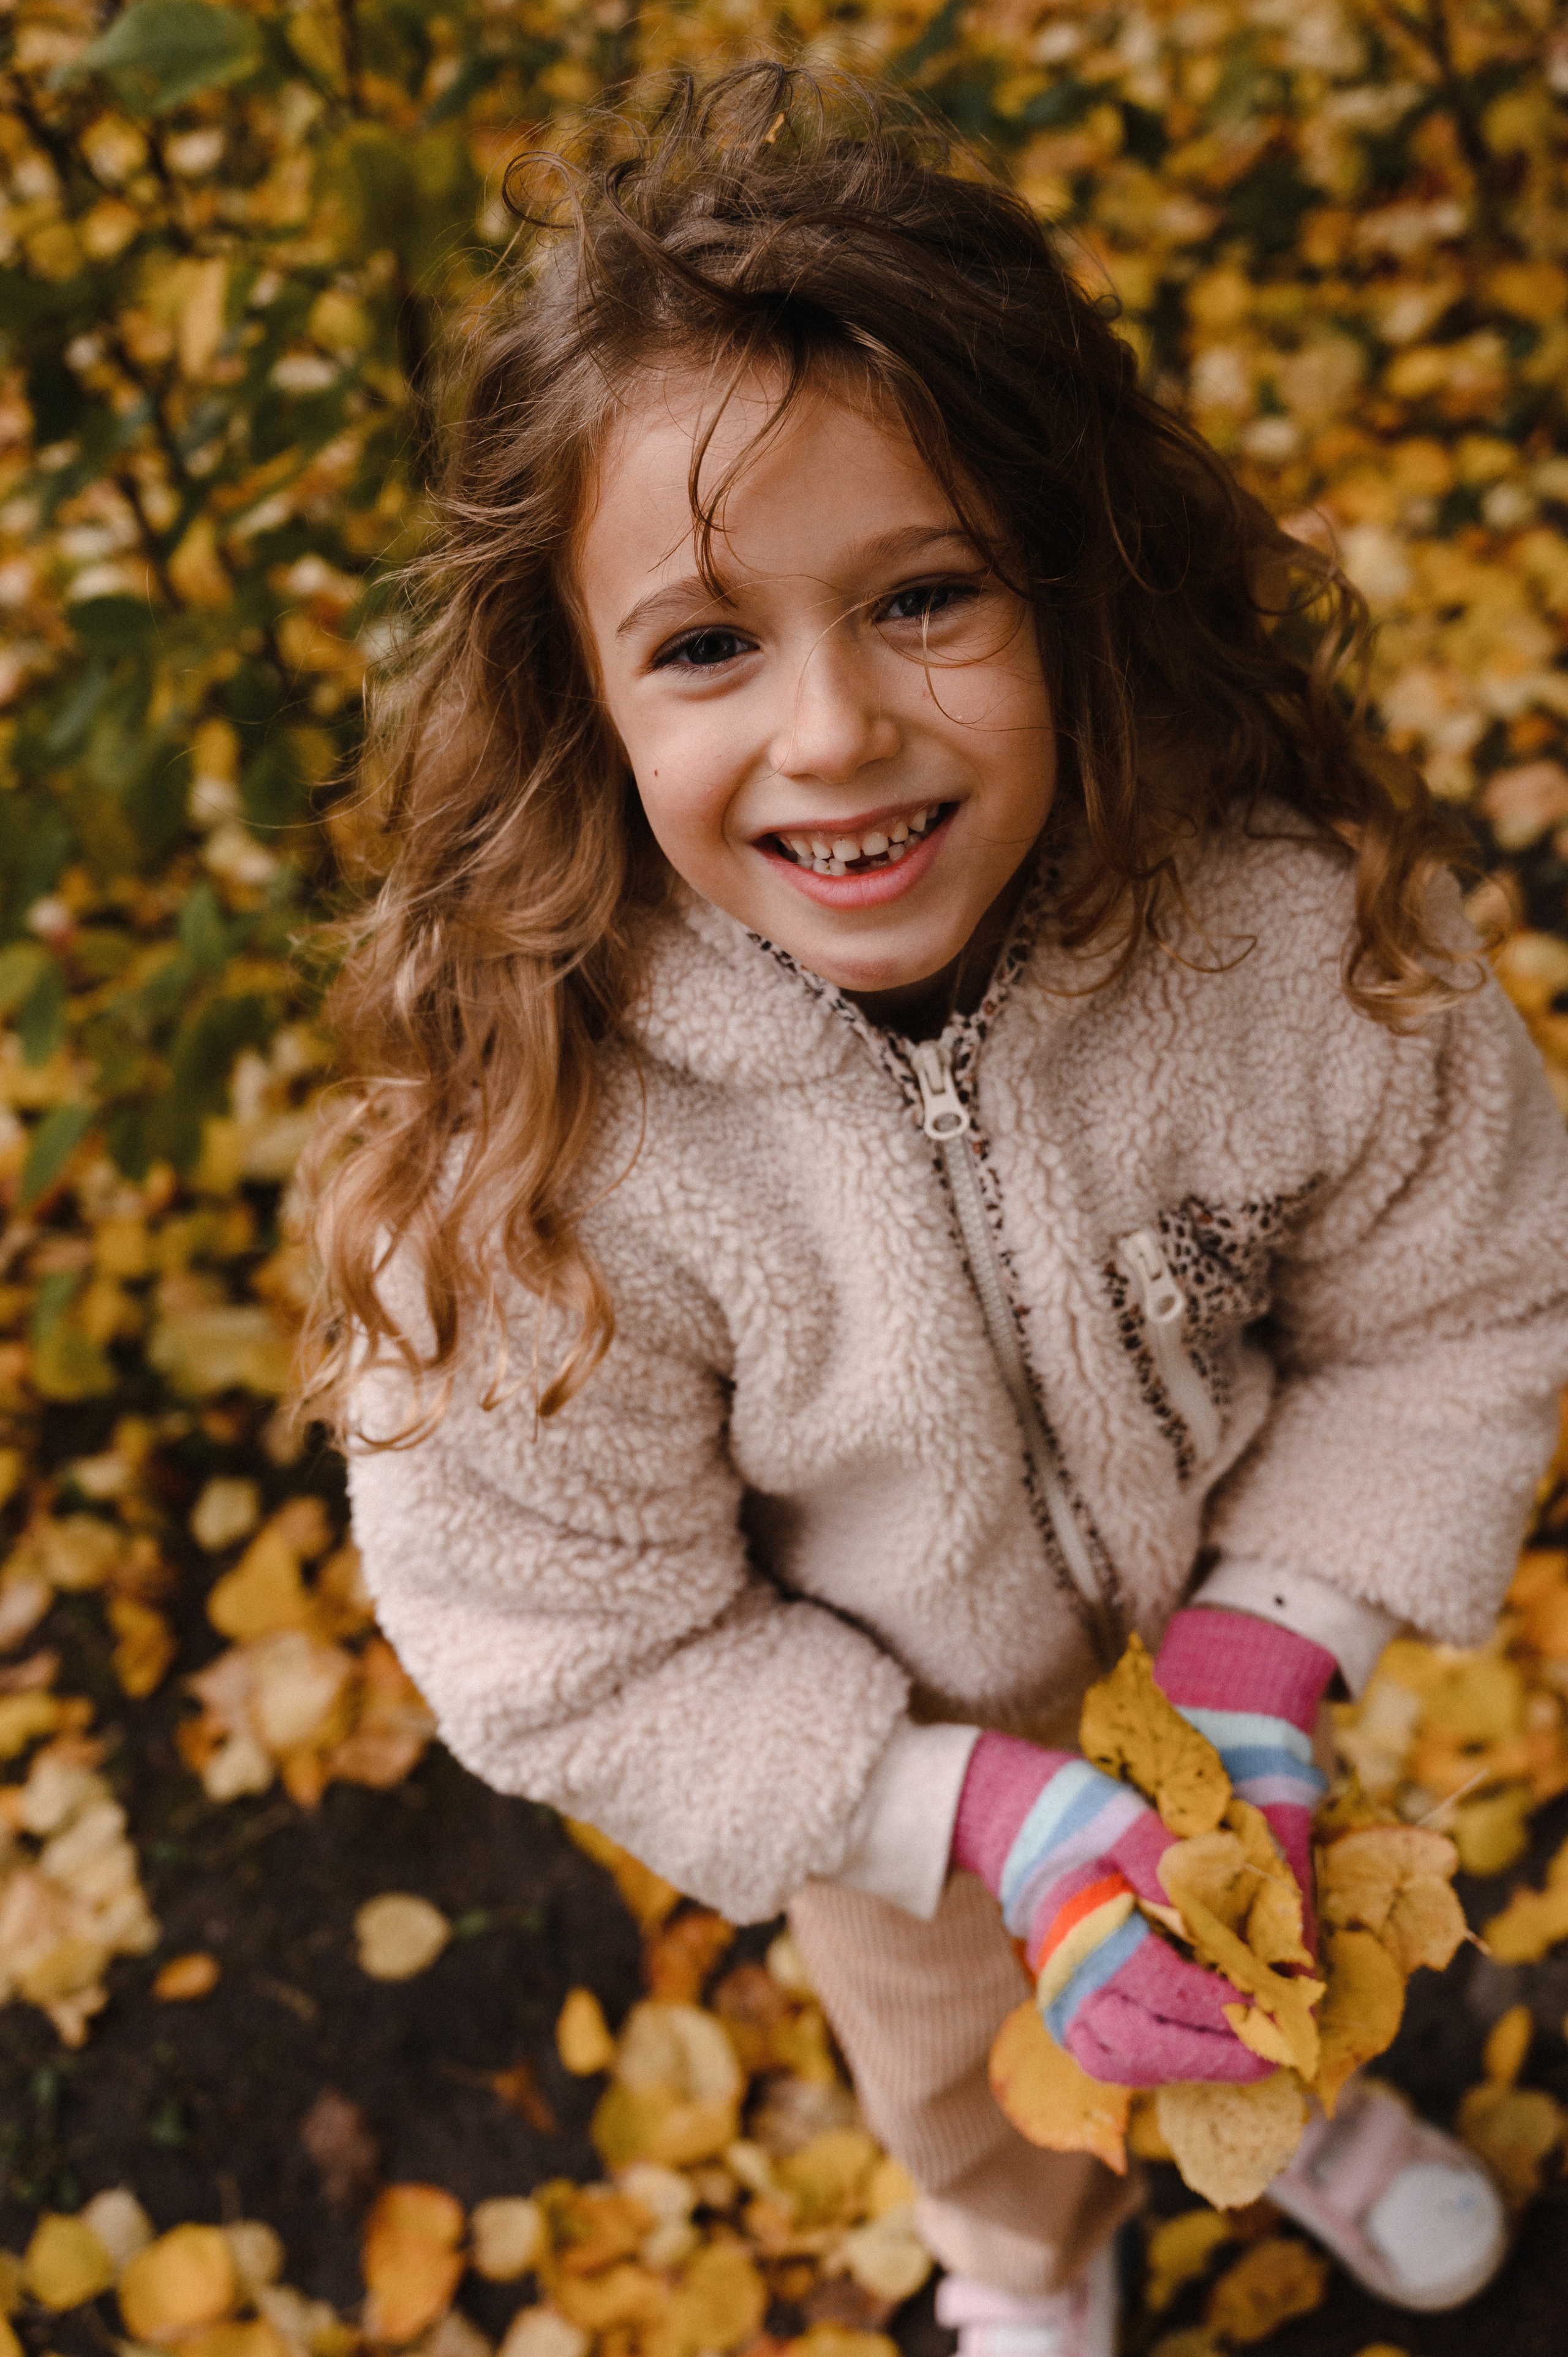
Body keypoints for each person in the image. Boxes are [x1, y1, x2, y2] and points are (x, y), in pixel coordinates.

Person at [299, 63, 1568, 2356]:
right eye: (705, 644)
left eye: (922, 597)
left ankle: (1308, 2121)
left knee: (1288, 1952)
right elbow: (573, 1637)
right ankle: (1030, 2273)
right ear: (574, 693)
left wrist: (1271, 1668)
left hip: (1246, 1674)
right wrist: (983, 1820)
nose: (835, 731)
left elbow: (1464, 1305)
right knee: (969, 2098)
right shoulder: (544, 1170)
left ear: (1078, 583)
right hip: (894, 1785)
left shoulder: (1291, 954)